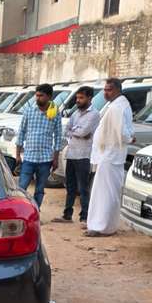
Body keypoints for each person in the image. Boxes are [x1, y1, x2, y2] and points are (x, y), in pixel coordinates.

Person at [86, 78, 133, 237]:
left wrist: (129, 139)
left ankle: (101, 226)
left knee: (105, 193)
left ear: (117, 90)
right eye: (105, 90)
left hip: (110, 155)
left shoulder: (118, 107)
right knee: (105, 191)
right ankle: (103, 224)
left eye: (109, 90)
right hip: (109, 154)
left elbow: (123, 132)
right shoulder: (116, 104)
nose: (105, 93)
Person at [55, 86, 99, 224]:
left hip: (83, 155)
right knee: (70, 186)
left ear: (89, 98)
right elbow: (66, 130)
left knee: (83, 188)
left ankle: (84, 217)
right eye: (77, 98)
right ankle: (67, 215)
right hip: (72, 153)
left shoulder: (94, 114)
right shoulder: (75, 113)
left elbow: (84, 132)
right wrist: (77, 132)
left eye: (81, 98)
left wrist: (77, 132)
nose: (78, 101)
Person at [14, 84, 62, 208]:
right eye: (37, 95)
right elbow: (21, 132)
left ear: (49, 97)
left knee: (40, 189)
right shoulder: (29, 111)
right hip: (29, 157)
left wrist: (56, 159)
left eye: (41, 96)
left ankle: (35, 211)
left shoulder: (55, 112)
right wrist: (18, 154)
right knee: (22, 187)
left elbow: (58, 137)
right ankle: (20, 211)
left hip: (45, 159)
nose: (38, 98)